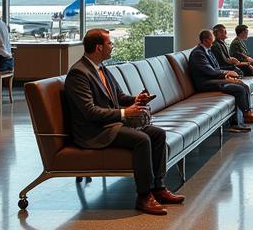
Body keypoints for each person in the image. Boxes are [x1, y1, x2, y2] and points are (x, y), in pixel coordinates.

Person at [64, 28, 183, 216]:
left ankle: (158, 188)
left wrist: (136, 99)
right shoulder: (79, 74)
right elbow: (89, 112)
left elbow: (118, 96)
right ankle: (143, 196)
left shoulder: (101, 68)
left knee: (157, 134)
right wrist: (124, 113)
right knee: (142, 139)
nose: (112, 47)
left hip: (110, 125)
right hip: (94, 131)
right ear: (98, 47)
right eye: (109, 43)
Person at [188, 29, 253, 129]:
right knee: (239, 88)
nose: (213, 42)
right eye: (211, 39)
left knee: (241, 84)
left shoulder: (207, 51)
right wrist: (226, 74)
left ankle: (247, 113)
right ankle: (244, 116)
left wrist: (226, 76)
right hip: (205, 83)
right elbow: (209, 71)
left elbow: (216, 69)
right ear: (205, 41)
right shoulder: (198, 53)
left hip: (212, 79)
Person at [212, 24, 253, 106]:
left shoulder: (221, 43)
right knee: (250, 67)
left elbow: (227, 58)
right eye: (224, 31)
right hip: (227, 67)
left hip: (231, 64)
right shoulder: (216, 45)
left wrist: (232, 59)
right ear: (219, 33)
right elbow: (224, 61)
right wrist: (236, 62)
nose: (226, 32)